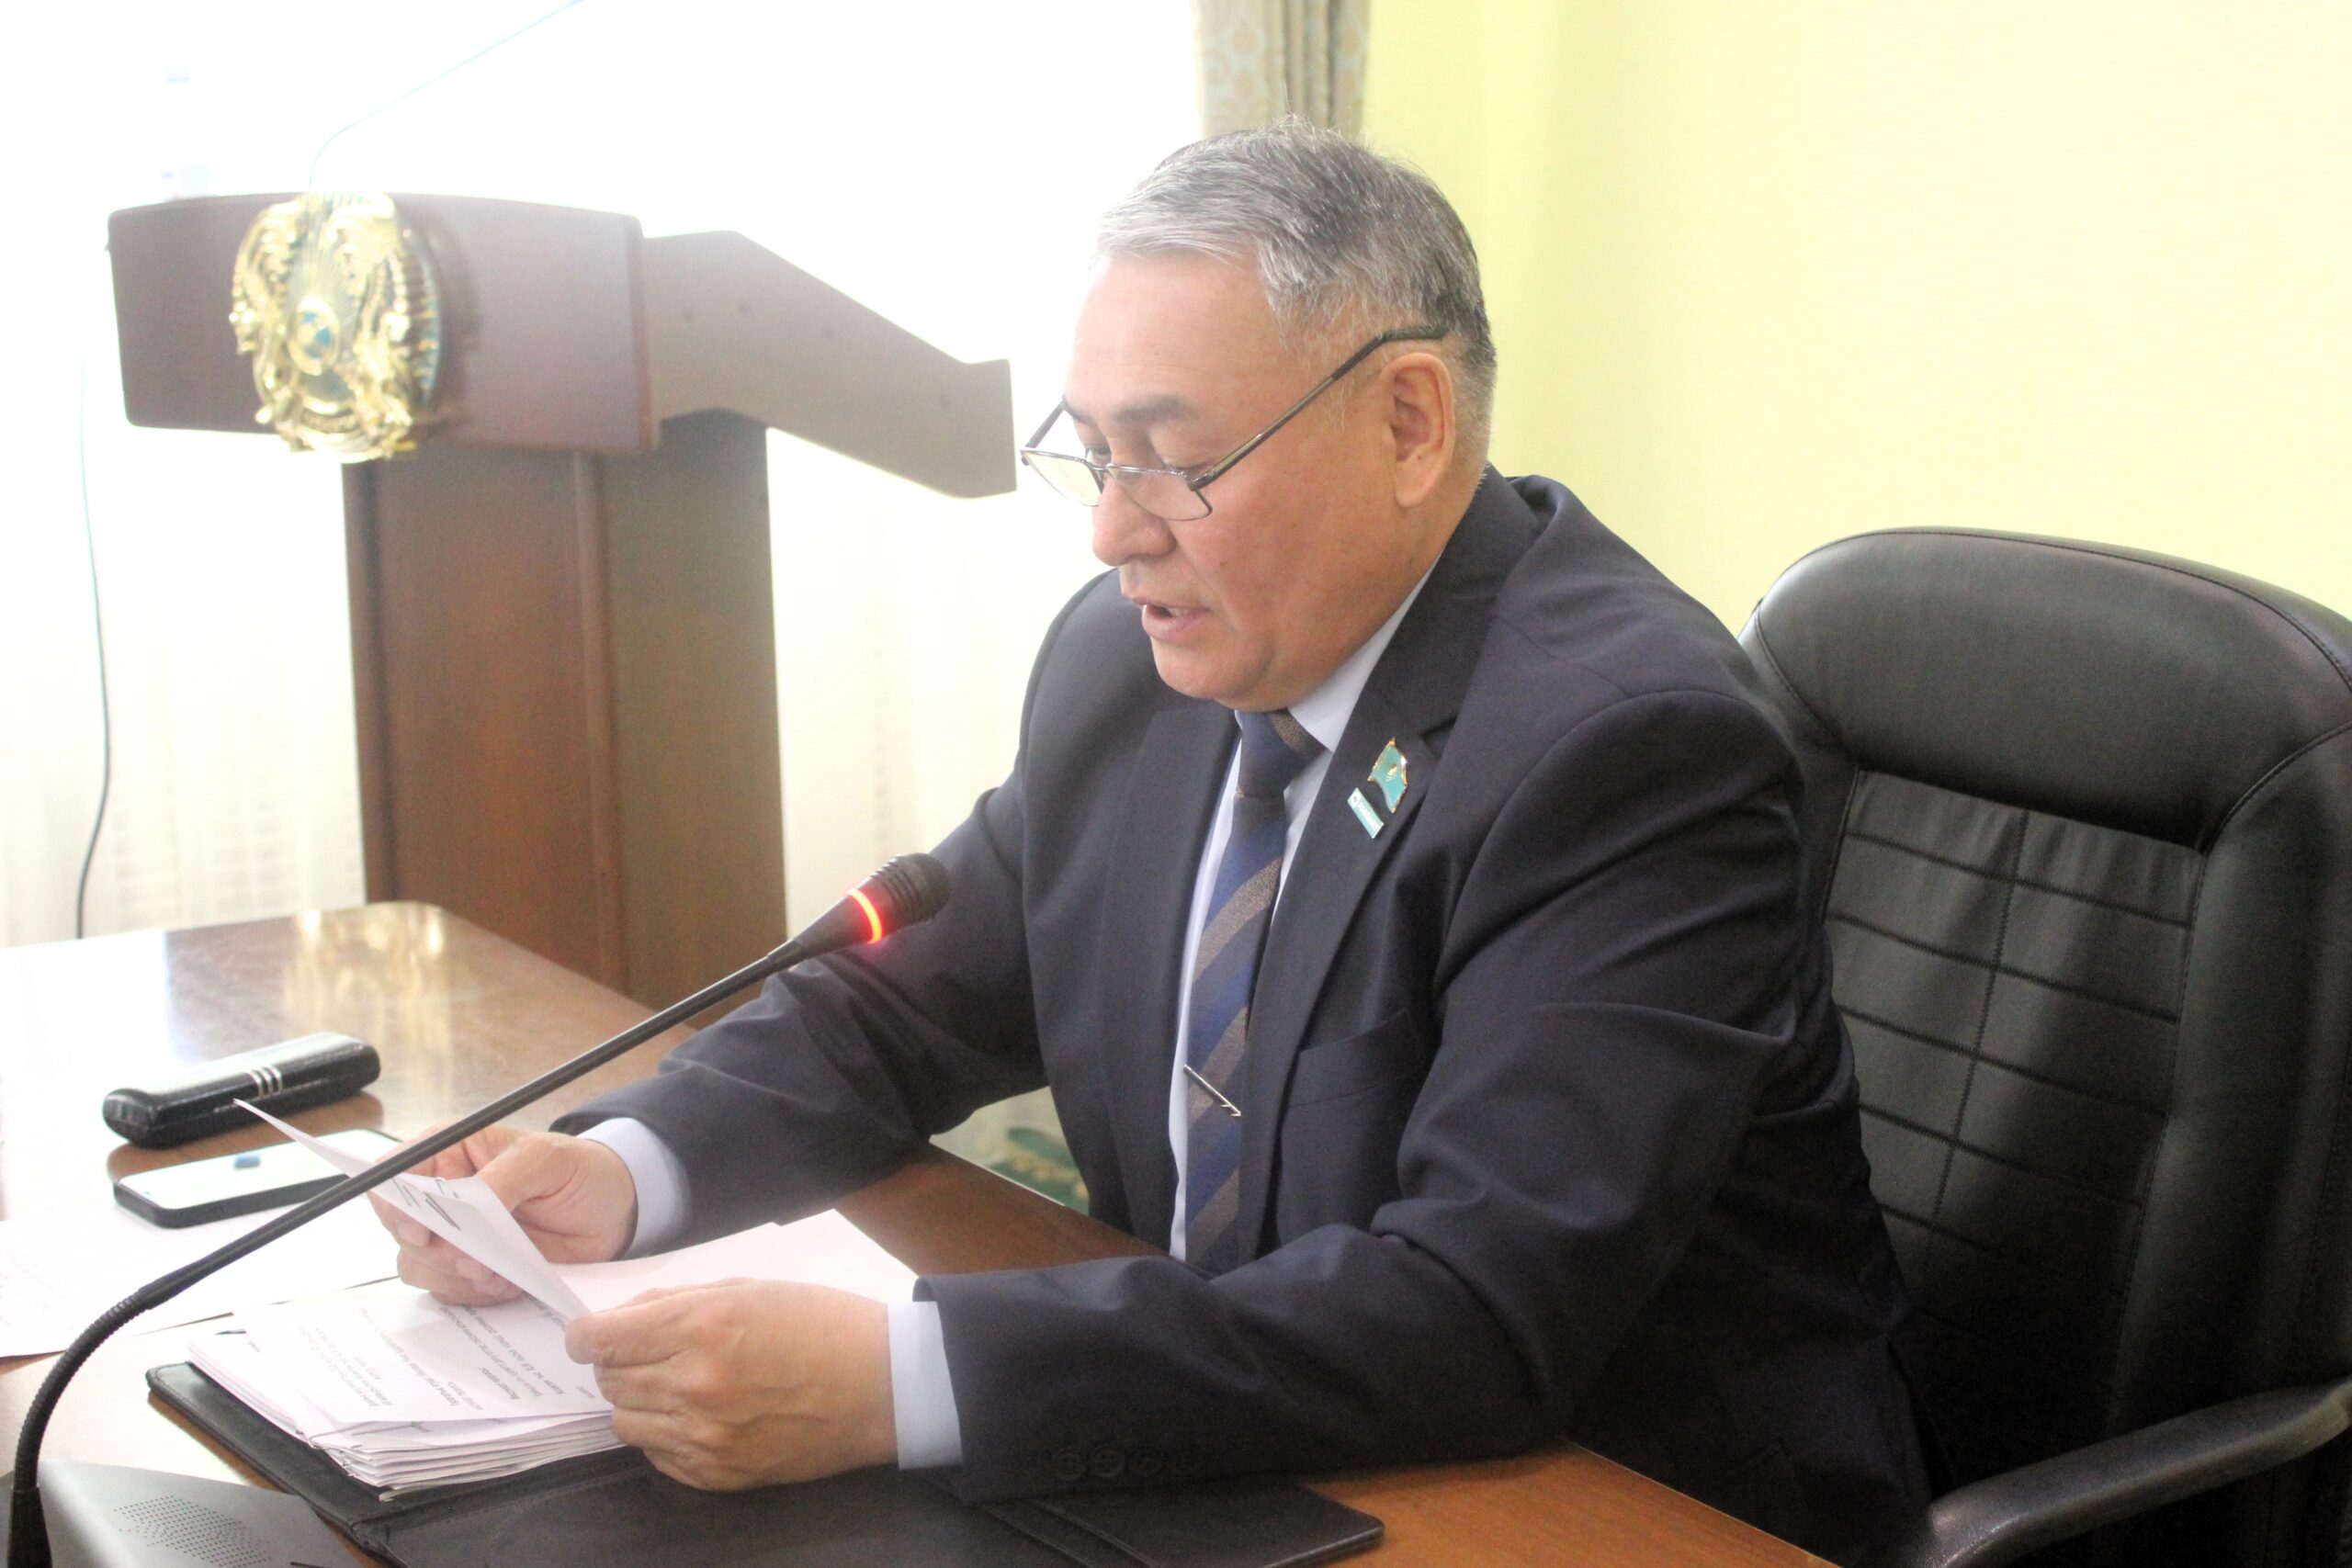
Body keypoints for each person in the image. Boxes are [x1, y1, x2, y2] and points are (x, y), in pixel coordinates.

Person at [376, 121, 1928, 1563]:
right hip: (1231, 1454)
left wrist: (903, 1380)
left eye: (1174, 458)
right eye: (1095, 452)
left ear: (1408, 421)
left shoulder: (1626, 750)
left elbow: (1472, 1307)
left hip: (1614, 1508)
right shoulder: (1135, 668)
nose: (1114, 530)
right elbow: (897, 1004)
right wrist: (622, 1172)